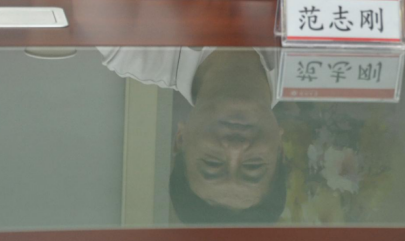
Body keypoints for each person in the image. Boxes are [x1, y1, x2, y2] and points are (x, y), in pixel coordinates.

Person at [99, 47, 286, 224]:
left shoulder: (134, 53)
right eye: (253, 166)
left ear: (181, 139)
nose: (235, 148)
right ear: (280, 148)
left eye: (212, 163)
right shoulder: (303, 67)